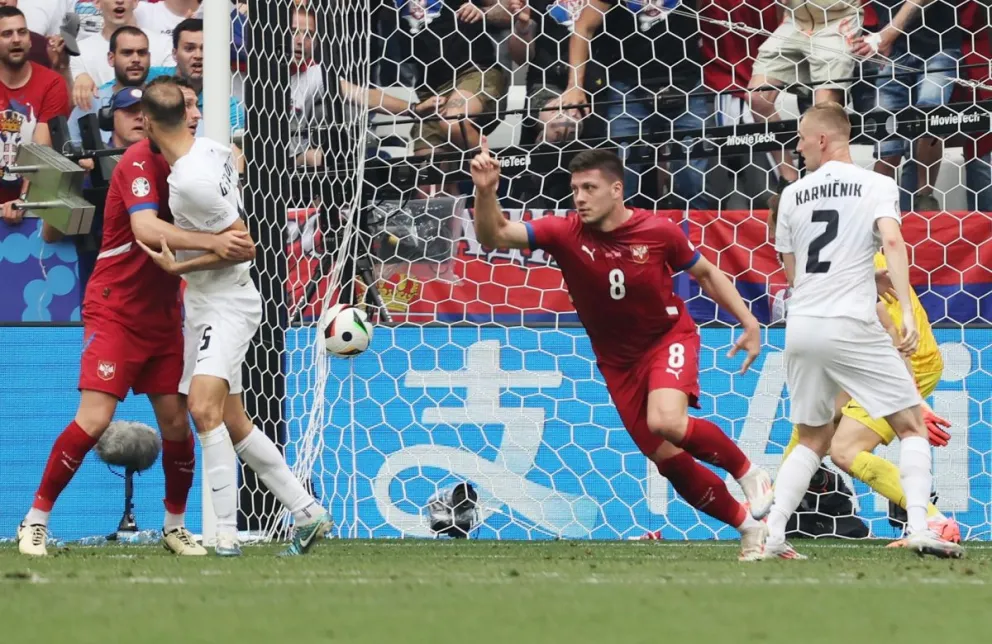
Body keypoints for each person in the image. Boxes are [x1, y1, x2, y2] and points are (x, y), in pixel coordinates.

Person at [470, 138, 774, 560]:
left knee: (667, 421)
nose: (579, 198)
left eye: (589, 188)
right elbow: (495, 233)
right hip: (617, 362)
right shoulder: (563, 232)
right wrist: (486, 191)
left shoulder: (658, 231)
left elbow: (705, 273)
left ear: (617, 190)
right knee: (666, 458)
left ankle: (749, 472)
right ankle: (749, 530)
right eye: (575, 189)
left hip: (667, 337)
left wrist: (749, 321)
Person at [15, 79, 253, 557]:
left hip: (166, 311)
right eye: (180, 106)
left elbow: (235, 164)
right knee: (95, 418)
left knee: (177, 423)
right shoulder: (137, 162)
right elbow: (145, 229)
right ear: (151, 118)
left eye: (193, 105)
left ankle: (174, 525)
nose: (188, 114)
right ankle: (35, 520)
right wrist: (215, 242)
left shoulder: (203, 159)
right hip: (117, 307)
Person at [135, 80, 332, 557]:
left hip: (227, 302)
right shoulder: (211, 150)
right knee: (232, 418)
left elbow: (241, 245)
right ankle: (307, 512)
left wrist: (178, 264)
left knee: (202, 409)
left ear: (145, 122)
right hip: (208, 302)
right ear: (186, 116)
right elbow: (236, 163)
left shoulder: (190, 179)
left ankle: (224, 532)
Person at [763, 101, 962, 559]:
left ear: (823, 139)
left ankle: (771, 535)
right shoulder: (877, 183)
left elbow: (795, 275)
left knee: (813, 437)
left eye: (800, 138)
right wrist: (906, 312)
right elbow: (892, 239)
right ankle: (921, 525)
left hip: (803, 325)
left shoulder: (793, 194)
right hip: (854, 323)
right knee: (912, 427)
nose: (796, 147)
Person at [0, 5, 71, 224]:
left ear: (30, 40)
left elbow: (41, 151)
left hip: (32, 207)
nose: (16, 39)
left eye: (22, 32)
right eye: (6, 34)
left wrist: (22, 200)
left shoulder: (51, 83)